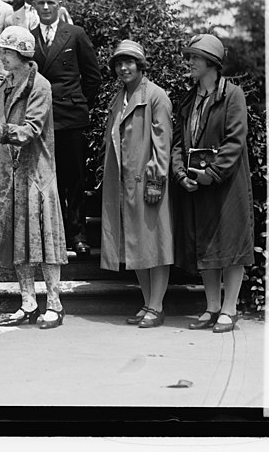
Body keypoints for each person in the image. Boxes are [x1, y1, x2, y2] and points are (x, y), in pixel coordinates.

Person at [0, 26, 68, 329]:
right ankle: (27, 302)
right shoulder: (4, 84)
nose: (1, 56)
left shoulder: (40, 85)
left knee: (46, 239)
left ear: (22, 54)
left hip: (35, 172)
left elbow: (31, 129)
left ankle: (54, 303)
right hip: (7, 174)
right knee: (16, 240)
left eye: (6, 52)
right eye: (0, 51)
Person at [171, 34, 254, 333]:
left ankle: (229, 308)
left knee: (230, 243)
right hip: (196, 183)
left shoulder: (233, 95)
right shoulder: (189, 99)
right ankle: (211, 307)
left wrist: (214, 173)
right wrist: (181, 173)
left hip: (225, 183)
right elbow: (178, 142)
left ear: (211, 62)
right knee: (205, 244)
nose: (189, 62)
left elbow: (235, 140)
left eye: (194, 57)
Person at [100, 40, 174, 328]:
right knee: (136, 246)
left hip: (148, 183)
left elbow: (162, 144)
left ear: (140, 65)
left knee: (155, 245)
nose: (123, 67)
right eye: (119, 63)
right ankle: (147, 303)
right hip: (124, 183)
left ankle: (157, 306)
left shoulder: (156, 96)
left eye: (129, 62)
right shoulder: (119, 97)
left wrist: (155, 181)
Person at [31, 0, 101, 255]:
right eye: (41, 3)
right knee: (47, 177)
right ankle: (53, 235)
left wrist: (78, 102)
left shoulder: (75, 34)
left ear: (59, 5)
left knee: (74, 177)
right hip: (41, 118)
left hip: (71, 117)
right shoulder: (29, 36)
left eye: (51, 2)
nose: (46, 8)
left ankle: (77, 233)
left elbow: (92, 76)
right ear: (34, 7)